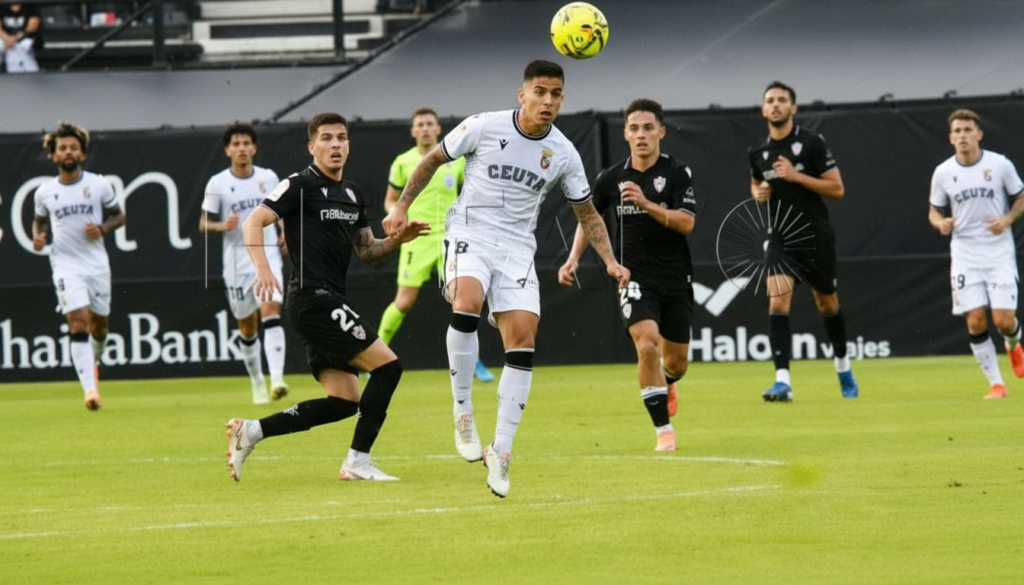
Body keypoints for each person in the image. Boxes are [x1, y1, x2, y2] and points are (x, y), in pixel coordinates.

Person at [383, 60, 630, 497]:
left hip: (517, 247)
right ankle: (462, 411)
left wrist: (609, 261)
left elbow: (587, 213)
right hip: (470, 231)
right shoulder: (483, 126)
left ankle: (502, 451)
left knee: (524, 337)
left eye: (556, 94)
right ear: (522, 95)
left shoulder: (565, 154)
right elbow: (430, 161)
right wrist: (401, 208)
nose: (547, 101)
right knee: (466, 302)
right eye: (540, 91)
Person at [225, 112, 429, 483]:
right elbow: (252, 221)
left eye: (342, 138)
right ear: (312, 146)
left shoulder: (352, 193)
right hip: (312, 298)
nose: (335, 144)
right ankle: (358, 461)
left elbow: (366, 251)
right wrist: (263, 267)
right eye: (327, 138)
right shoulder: (298, 185)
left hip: (329, 299)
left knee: (344, 402)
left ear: (349, 144)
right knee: (389, 368)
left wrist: (397, 241)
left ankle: (252, 430)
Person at [558, 98, 696, 452]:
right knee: (647, 345)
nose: (641, 135)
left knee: (676, 362)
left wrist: (647, 204)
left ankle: (669, 381)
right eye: (634, 128)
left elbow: (687, 223)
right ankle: (663, 430)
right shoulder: (611, 177)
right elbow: (590, 218)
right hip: (632, 277)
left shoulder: (678, 173)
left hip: (675, 276)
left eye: (648, 128)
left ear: (661, 132)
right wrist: (573, 258)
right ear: (625, 134)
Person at [748, 80, 858, 402]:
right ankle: (782, 381)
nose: (776, 105)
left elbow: (837, 189)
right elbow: (755, 186)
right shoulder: (758, 152)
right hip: (781, 237)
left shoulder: (811, 143)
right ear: (763, 109)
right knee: (777, 300)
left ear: (793, 108)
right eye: (771, 100)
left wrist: (797, 177)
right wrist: (760, 193)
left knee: (828, 304)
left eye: (782, 100)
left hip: (816, 236)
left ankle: (842, 366)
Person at [378, 107, 493, 382]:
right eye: (421, 124)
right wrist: (396, 215)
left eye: (430, 124)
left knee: (460, 300)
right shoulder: (403, 162)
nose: (426, 128)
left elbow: (471, 193)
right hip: (415, 239)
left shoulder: (454, 160)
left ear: (439, 129)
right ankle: (375, 356)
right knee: (403, 303)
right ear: (413, 131)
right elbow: (390, 199)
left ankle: (473, 361)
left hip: (449, 238)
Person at [928, 108, 1024, 399]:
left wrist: (1007, 219)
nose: (962, 136)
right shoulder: (944, 172)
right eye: (957, 131)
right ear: (950, 138)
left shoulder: (999, 165)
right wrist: (940, 223)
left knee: (1004, 320)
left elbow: (1020, 197)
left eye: (967, 130)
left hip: (997, 252)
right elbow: (934, 211)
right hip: (965, 253)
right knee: (975, 320)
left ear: (979, 133)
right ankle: (997, 384)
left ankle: (1013, 343)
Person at [32, 122, 126, 410]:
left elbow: (118, 216)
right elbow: (39, 219)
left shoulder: (98, 185)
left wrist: (103, 228)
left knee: (100, 327)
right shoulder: (44, 192)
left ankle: (92, 363)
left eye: (73, 147)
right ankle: (90, 391)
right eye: (62, 148)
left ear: (83, 154)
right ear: (54, 155)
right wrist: (37, 235)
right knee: (78, 322)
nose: (68, 152)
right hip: (65, 264)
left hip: (96, 264)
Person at [200, 123, 289, 405]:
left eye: (246, 143)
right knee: (247, 327)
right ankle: (257, 381)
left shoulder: (268, 177)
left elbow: (282, 207)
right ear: (228, 150)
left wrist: (285, 230)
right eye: (236, 144)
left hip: (267, 254)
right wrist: (220, 225)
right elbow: (202, 224)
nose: (241, 149)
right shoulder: (218, 183)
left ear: (254, 148)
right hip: (236, 263)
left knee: (271, 309)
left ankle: (277, 379)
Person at [0, 3, 41, 73]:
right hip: (5, 39)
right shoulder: (2, 7)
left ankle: (31, 72)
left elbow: (32, 27)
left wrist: (15, 38)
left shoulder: (30, 7)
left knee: (22, 46)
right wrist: (7, 39)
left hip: (23, 38)